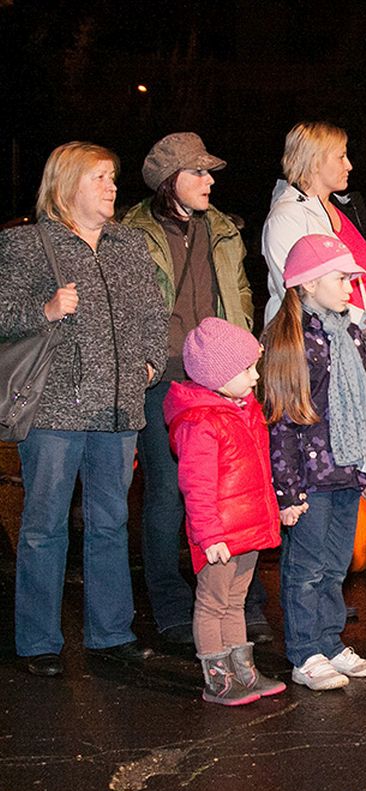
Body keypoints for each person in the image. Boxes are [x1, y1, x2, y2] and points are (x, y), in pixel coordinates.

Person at [0, 142, 168, 676]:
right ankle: (38, 642)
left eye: (113, 177)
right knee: (44, 526)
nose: (112, 187)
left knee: (111, 522)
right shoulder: (27, 243)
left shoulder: (129, 245)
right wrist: (44, 310)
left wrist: (149, 364)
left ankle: (111, 633)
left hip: (118, 410)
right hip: (54, 411)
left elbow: (153, 312)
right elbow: (3, 313)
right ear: (67, 183)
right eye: (99, 177)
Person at [123, 132, 259, 647]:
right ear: (169, 181)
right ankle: (170, 603)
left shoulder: (220, 228)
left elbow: (240, 289)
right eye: (197, 172)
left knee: (232, 489)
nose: (209, 181)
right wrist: (143, 360)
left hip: (219, 380)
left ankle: (236, 601)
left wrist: (240, 341)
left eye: (209, 172)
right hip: (164, 378)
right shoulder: (132, 234)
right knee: (167, 492)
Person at [262, 233, 366, 690]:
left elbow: (364, 405)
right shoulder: (291, 340)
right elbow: (281, 421)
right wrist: (288, 491)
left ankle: (330, 643)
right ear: (309, 283)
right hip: (311, 480)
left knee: (335, 567)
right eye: (341, 278)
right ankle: (304, 652)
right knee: (306, 569)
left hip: (345, 472)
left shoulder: (348, 333)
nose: (350, 288)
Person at [164, 318, 285, 705]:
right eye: (247, 369)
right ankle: (218, 680)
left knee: (236, 601)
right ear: (218, 375)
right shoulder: (200, 422)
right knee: (213, 603)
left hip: (248, 528)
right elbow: (196, 486)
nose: (255, 377)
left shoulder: (245, 411)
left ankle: (244, 673)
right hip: (220, 536)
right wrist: (209, 536)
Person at [262, 121, 366, 328]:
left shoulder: (349, 211)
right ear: (314, 162)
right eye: (341, 157)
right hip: (313, 343)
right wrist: (364, 323)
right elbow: (300, 295)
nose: (349, 165)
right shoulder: (286, 218)